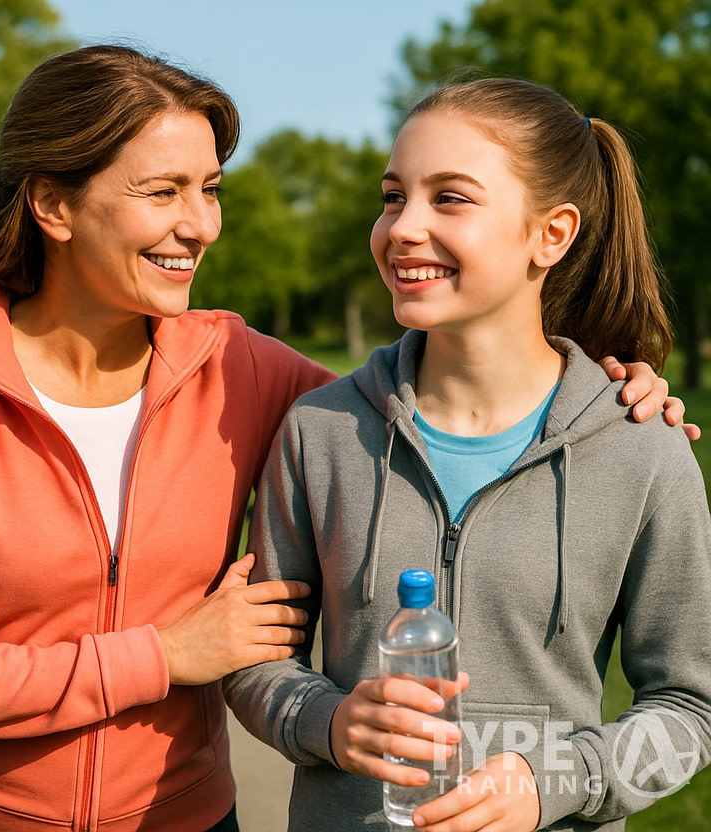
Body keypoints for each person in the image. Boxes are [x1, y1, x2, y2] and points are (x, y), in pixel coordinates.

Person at [0, 46, 689, 832]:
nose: (200, 224)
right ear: (53, 205)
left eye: (210, 189)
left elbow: (444, 386)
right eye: (164, 190)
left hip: (183, 819)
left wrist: (615, 397)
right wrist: (172, 657)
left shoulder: (255, 375)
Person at [224, 77, 711, 832]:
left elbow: (692, 710)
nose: (403, 227)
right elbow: (255, 663)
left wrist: (552, 782)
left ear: (551, 234)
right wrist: (329, 722)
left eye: (449, 198)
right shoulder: (318, 432)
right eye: (393, 197)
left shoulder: (642, 449)